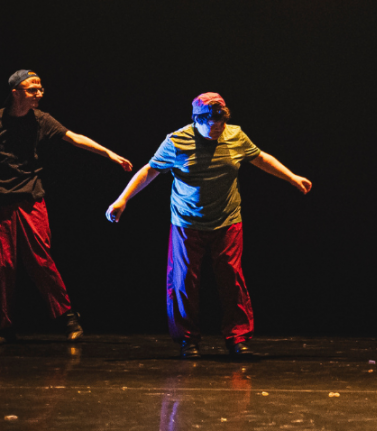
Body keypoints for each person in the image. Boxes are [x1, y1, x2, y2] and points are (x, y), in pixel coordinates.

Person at [105, 93, 312, 359]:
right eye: (211, 127)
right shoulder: (176, 141)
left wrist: (292, 178)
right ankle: (188, 340)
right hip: (187, 222)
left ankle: (238, 339)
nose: (216, 131)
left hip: (227, 220)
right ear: (197, 120)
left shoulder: (235, 135)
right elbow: (149, 170)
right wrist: (122, 200)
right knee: (183, 282)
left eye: (221, 126)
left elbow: (260, 158)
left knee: (231, 277)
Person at [0, 70, 133, 344]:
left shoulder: (41, 120)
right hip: (0, 198)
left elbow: (74, 138)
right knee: (3, 264)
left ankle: (67, 316)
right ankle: (4, 326)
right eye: (32, 89)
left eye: (40, 89)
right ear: (16, 92)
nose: (39, 93)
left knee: (40, 259)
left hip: (31, 196)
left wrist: (109, 153)